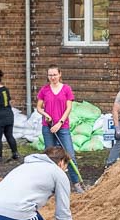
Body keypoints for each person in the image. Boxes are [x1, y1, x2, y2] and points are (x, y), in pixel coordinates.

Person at [35, 65, 85, 193]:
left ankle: (77, 183)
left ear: (60, 74)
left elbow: (68, 108)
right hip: (48, 127)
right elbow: (39, 108)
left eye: (55, 74)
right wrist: (46, 115)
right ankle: (50, 186)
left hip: (63, 127)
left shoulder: (66, 89)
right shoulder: (44, 90)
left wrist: (60, 123)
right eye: (50, 75)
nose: (52, 77)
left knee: (70, 155)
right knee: (50, 157)